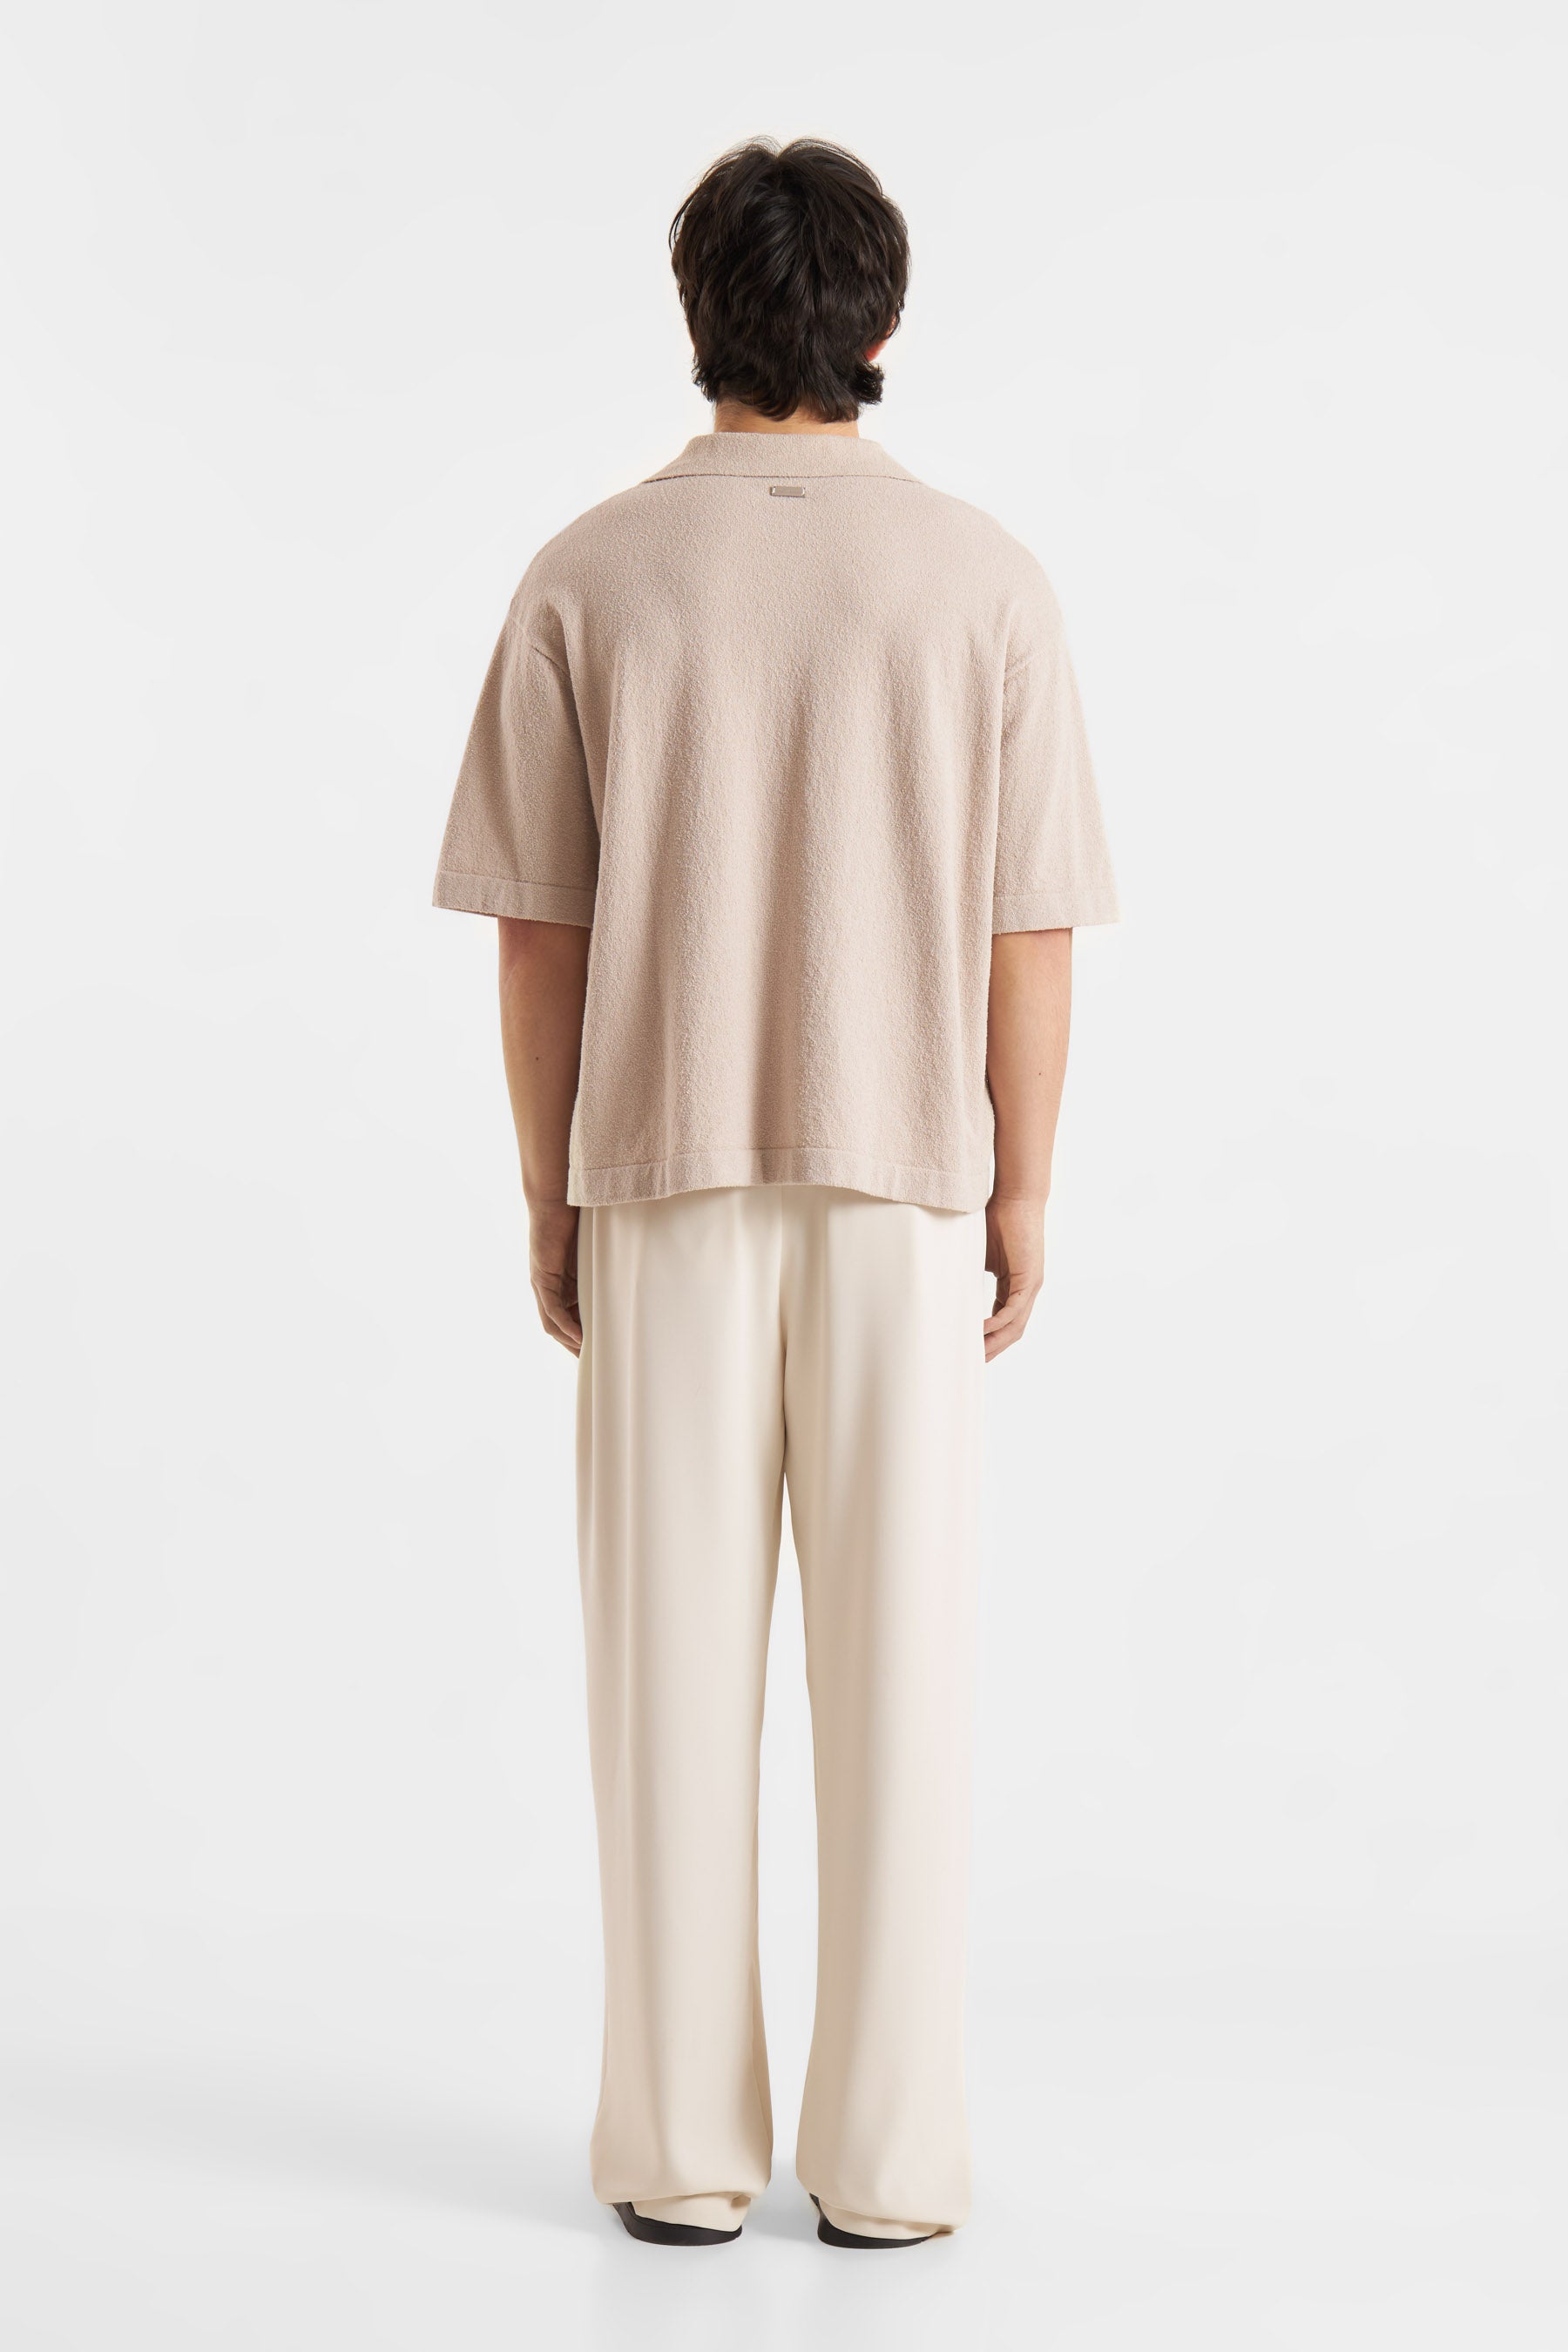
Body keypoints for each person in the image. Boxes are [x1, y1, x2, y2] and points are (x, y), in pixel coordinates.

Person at [433, 137, 1118, 2250]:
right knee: (903, 1688)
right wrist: (1023, 1191)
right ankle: (890, 2165)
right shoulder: (985, 581)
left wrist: (547, 1189)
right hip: (907, 1186)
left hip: (662, 1180)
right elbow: (1029, 929)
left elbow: (537, 929)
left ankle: (679, 2153)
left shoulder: (591, 572)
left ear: (699, 316)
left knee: (667, 1688)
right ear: (879, 323)